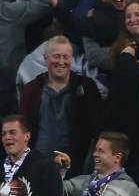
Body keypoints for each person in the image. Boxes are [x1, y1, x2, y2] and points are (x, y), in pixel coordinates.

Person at [19, 35, 102, 175]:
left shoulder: (87, 87)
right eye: (56, 56)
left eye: (66, 57)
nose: (61, 62)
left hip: (77, 166)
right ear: (46, 58)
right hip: (39, 165)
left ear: (71, 59)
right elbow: (23, 128)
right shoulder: (31, 90)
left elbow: (97, 127)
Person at [0, 115, 62, 196]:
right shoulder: (1, 168)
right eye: (4, 134)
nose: (7, 137)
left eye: (12, 132)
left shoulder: (46, 167)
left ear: (27, 136)